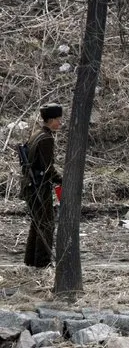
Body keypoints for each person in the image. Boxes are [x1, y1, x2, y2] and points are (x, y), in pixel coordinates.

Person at [19, 103, 63, 268]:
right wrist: (63, 181)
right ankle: (42, 264)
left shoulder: (37, 133)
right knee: (46, 224)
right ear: (51, 120)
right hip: (39, 187)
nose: (60, 123)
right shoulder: (46, 139)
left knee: (36, 224)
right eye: (59, 120)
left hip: (30, 186)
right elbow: (47, 169)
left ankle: (31, 261)